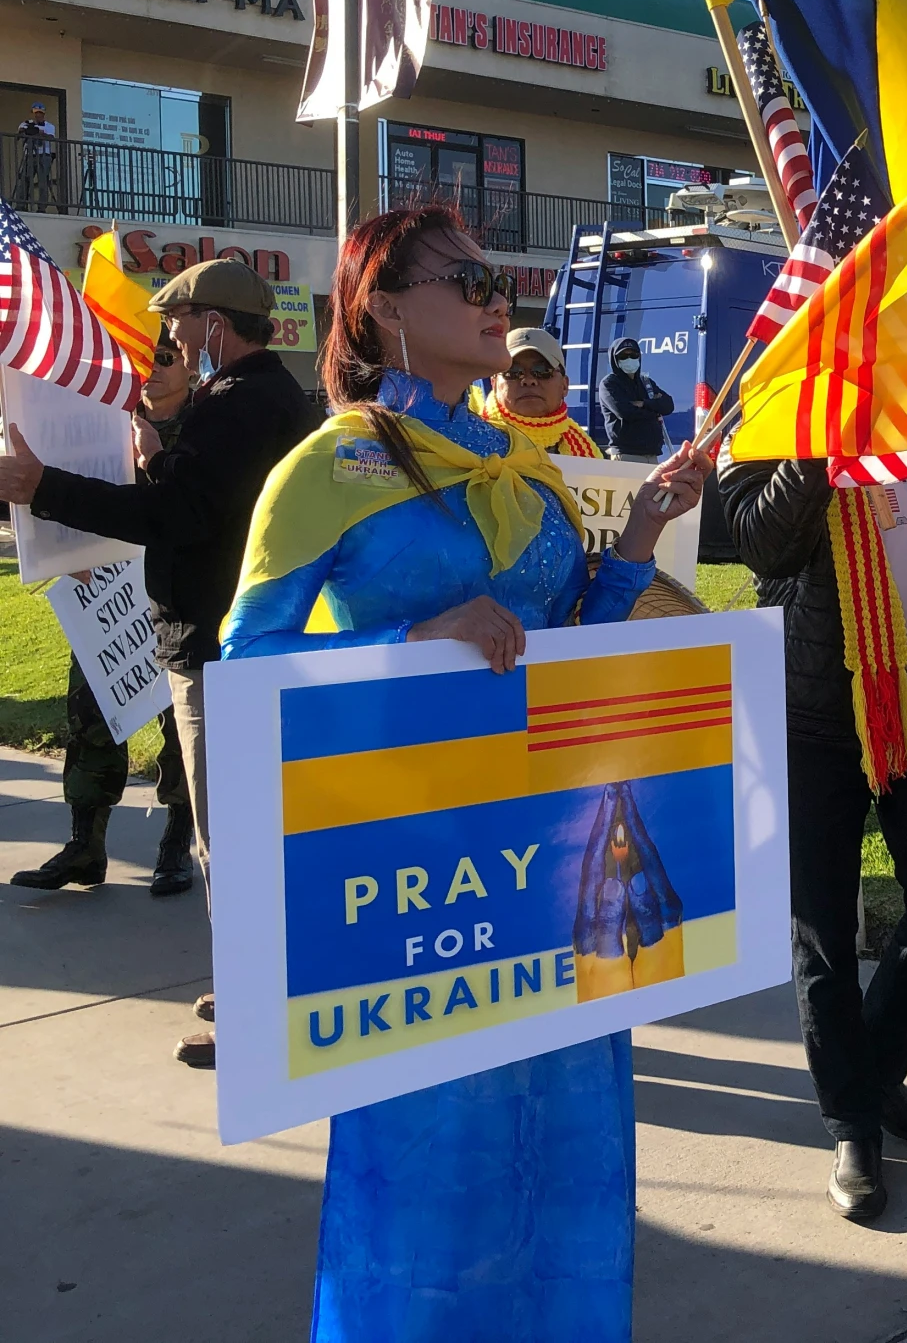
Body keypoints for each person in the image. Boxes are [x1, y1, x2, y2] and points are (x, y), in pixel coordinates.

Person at [222, 203, 704, 1342]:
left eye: (498, 280)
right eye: (465, 280)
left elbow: (568, 646)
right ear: (383, 307)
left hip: (551, 864)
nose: (499, 301)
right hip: (411, 871)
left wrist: (635, 537)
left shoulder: (525, 469)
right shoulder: (325, 466)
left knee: (567, 1147)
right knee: (425, 1162)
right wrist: (407, 644)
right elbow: (247, 664)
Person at [0, 258, 318, 1065]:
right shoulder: (263, 399)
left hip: (217, 645)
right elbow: (203, 503)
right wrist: (158, 462)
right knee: (245, 830)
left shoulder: (237, 408)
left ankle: (252, 1014)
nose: (171, 338)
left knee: (230, 835)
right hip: (240, 637)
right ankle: (255, 980)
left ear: (216, 324)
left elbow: (177, 516)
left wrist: (45, 488)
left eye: (180, 324)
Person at [719, 440, 907, 1222]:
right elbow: (766, 544)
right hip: (813, 717)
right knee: (824, 934)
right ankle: (854, 1127)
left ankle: (872, 1071)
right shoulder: (765, 436)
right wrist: (818, 452)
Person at [9, 328, 197, 896]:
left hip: (179, 600)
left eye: (166, 358)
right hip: (108, 600)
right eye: (145, 358)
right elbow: (71, 494)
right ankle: (84, 845)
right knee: (90, 718)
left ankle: (176, 841)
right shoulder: (104, 423)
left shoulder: (204, 431)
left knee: (178, 731)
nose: (154, 369)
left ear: (190, 367)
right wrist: (65, 553)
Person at [482, 325, 600, 456]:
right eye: (513, 372)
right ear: (494, 383)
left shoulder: (586, 454)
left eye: (542, 371)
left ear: (565, 385)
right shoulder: (467, 444)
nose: (528, 380)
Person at [598, 334, 673, 461]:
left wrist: (644, 404)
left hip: (652, 455)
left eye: (633, 355)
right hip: (627, 455)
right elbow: (625, 412)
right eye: (623, 356)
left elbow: (668, 405)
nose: (629, 359)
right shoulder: (609, 384)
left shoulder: (645, 382)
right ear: (615, 360)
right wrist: (655, 410)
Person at [13, 101, 58, 210]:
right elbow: (20, 133)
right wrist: (28, 130)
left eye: (40, 113)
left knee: (43, 182)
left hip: (44, 156)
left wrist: (41, 133)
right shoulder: (26, 123)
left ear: (43, 114)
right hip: (30, 155)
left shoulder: (49, 126)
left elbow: (51, 138)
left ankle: (41, 208)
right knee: (24, 180)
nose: (38, 115)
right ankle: (20, 205)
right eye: (36, 113)